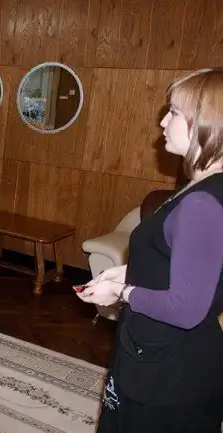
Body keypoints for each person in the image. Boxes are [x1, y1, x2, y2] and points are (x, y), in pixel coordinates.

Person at [77, 68, 223, 432]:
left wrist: (122, 291)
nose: (162, 122)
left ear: (206, 124)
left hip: (168, 370)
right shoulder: (203, 187)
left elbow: (186, 308)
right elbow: (189, 267)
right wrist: (129, 272)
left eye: (173, 112)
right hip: (164, 356)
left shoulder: (202, 203)